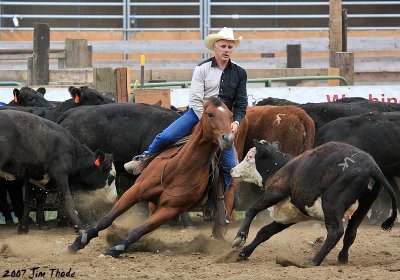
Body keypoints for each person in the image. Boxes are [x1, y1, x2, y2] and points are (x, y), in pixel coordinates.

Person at [124, 27, 248, 196]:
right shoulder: (202, 68)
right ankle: (145, 158)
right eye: (223, 46)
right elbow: (196, 99)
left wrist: (235, 122)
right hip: (198, 114)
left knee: (230, 166)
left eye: (229, 47)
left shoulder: (240, 72)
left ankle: (217, 202)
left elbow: (241, 103)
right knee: (166, 136)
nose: (226, 50)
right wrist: (204, 120)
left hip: (223, 121)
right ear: (215, 47)